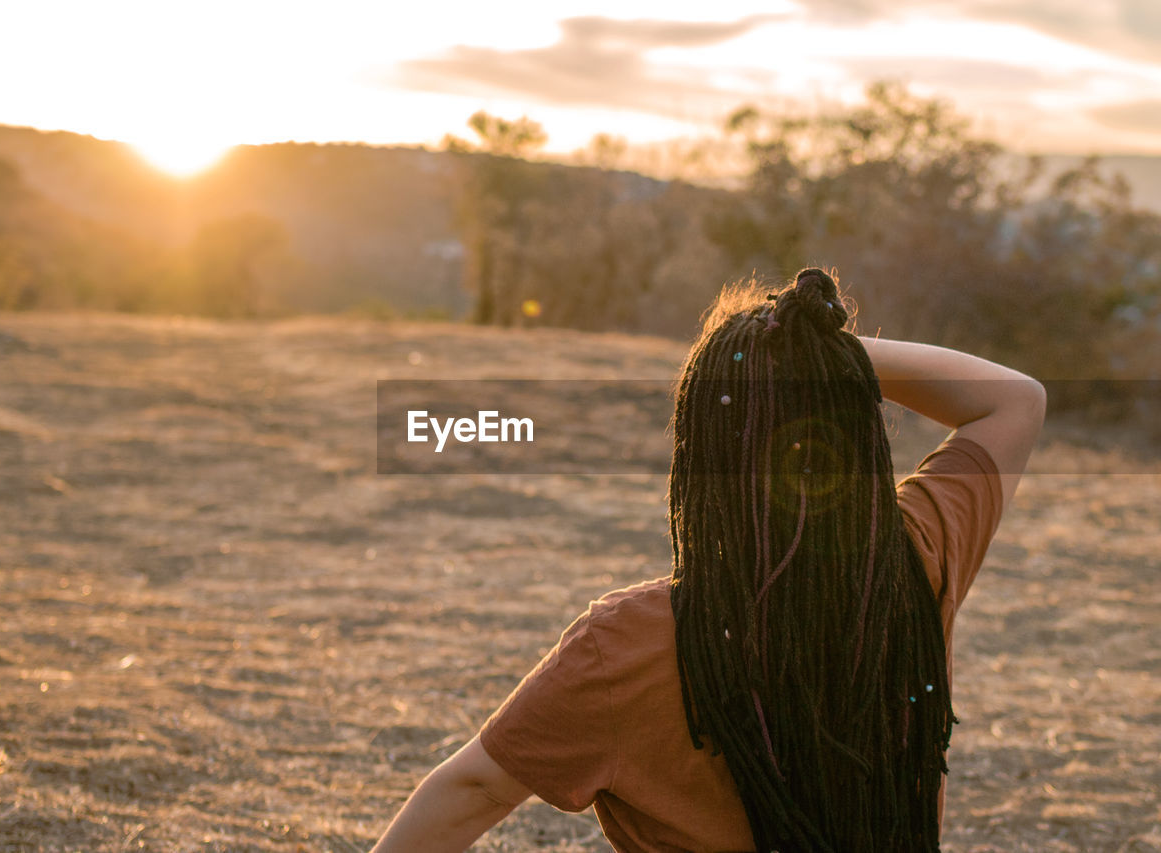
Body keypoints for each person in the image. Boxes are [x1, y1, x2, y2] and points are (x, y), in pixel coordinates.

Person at [372, 269, 1046, 852]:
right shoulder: (914, 557)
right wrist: (824, 355)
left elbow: (472, 788)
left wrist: (765, 359)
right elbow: (1014, 400)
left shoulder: (627, 643)